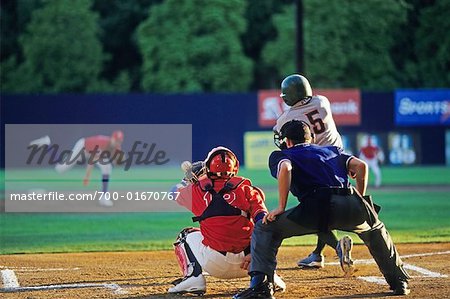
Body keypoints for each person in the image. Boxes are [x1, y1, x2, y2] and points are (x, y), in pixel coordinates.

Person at [234, 120, 410, 299]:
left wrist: (281, 206)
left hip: (318, 207)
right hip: (351, 201)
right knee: (375, 230)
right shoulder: (331, 150)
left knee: (265, 229)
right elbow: (361, 166)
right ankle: (399, 282)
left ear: (287, 141)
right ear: (309, 138)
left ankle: (261, 288)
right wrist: (359, 199)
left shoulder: (282, 154)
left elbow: (286, 169)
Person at [168, 146, 285, 295]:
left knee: (186, 235)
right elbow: (265, 224)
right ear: (235, 167)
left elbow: (172, 192)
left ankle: (194, 279)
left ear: (208, 167)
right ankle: (268, 277)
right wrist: (257, 254)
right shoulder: (248, 189)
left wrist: (187, 180)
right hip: (251, 263)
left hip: (215, 264)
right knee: (265, 231)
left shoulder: (197, 190)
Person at [273, 73, 343, 269]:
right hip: (337, 161)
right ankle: (317, 254)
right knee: (326, 210)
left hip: (313, 166)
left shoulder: (287, 118)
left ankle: (337, 247)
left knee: (314, 211)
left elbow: (284, 141)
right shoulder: (323, 102)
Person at [54, 130, 124, 207]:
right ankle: (47, 145)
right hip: (83, 147)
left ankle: (104, 197)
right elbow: (92, 160)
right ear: (112, 138)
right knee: (60, 169)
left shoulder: (117, 147)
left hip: (93, 152)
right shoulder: (102, 143)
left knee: (107, 167)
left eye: (119, 141)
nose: (117, 142)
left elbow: (117, 159)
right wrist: (87, 177)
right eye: (116, 140)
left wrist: (116, 161)